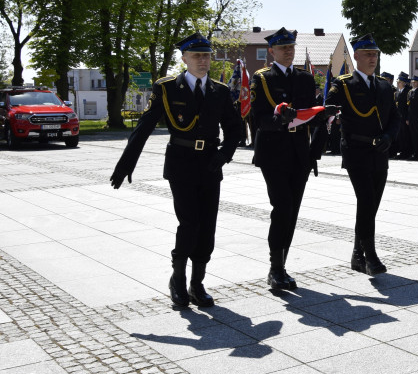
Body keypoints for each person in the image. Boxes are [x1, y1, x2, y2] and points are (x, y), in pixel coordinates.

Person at [110, 33, 243, 309]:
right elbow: (144, 126)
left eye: (206, 55)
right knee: (190, 223)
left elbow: (235, 129)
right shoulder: (168, 88)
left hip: (210, 163)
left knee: (207, 228)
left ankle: (197, 284)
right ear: (184, 58)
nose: (203, 60)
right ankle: (178, 280)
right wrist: (126, 164)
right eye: (196, 56)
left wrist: (223, 156)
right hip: (181, 164)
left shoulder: (219, 91)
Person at [250, 28, 331, 291]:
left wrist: (322, 120)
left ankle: (282, 266)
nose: (289, 51)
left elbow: (311, 114)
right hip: (273, 152)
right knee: (282, 208)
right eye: (283, 48)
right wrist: (278, 120)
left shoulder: (305, 79)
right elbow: (257, 118)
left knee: (292, 212)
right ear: (271, 51)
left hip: (299, 152)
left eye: (291, 47)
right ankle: (275, 268)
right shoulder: (262, 78)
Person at [321, 35, 400, 276]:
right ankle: (370, 255)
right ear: (356, 56)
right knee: (366, 200)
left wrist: (388, 137)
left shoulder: (385, 86)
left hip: (379, 152)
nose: (373, 58)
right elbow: (328, 108)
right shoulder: (344, 85)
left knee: (371, 205)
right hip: (356, 151)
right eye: (368, 54)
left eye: (375, 54)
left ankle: (357, 254)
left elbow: (395, 118)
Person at [394, 72, 411, 159]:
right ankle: (402, 151)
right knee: (400, 136)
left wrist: (407, 117)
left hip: (404, 118)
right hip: (398, 118)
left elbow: (408, 106)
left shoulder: (407, 92)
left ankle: (406, 152)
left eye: (399, 82)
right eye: (397, 82)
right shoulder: (397, 92)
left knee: (405, 135)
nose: (398, 83)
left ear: (404, 83)